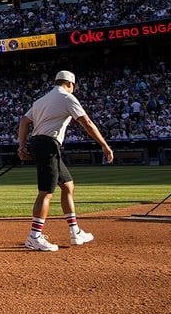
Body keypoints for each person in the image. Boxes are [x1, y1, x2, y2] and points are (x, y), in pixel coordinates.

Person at [17, 70, 114, 251]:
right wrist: (104, 145)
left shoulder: (41, 100)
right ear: (70, 84)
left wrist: (21, 146)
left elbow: (24, 120)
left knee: (68, 185)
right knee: (46, 191)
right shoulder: (67, 97)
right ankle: (34, 236)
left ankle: (75, 232)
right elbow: (87, 123)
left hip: (41, 143)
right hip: (48, 144)